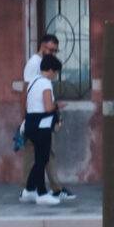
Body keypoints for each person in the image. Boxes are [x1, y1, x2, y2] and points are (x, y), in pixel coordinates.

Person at [22, 34, 74, 199]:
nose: (52, 53)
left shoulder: (43, 71)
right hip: (38, 117)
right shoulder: (34, 65)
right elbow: (32, 94)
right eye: (50, 49)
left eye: (55, 51)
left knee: (44, 155)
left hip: (38, 117)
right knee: (39, 156)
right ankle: (37, 190)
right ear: (42, 46)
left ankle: (42, 188)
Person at [22, 54, 64, 207]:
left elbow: (29, 105)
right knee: (42, 159)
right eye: (56, 72)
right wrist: (58, 105)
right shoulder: (46, 84)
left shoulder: (33, 81)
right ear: (51, 70)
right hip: (42, 125)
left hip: (30, 123)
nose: (56, 76)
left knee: (40, 159)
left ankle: (29, 190)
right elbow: (48, 107)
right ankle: (42, 193)